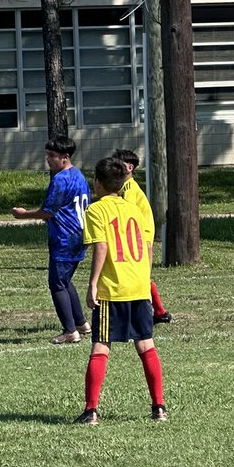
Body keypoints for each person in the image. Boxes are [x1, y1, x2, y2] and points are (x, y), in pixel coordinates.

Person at [75, 156, 167, 424]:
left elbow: (101, 247)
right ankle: (159, 407)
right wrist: (144, 278)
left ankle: (91, 410)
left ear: (98, 183)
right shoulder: (133, 209)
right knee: (146, 344)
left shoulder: (96, 210)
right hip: (138, 286)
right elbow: (147, 247)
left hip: (112, 289)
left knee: (100, 347)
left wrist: (92, 283)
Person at [12, 134, 90, 344]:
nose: (47, 159)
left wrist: (22, 214)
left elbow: (47, 211)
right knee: (65, 280)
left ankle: (69, 331)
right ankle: (82, 324)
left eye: (52, 155)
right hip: (80, 235)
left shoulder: (60, 179)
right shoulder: (79, 175)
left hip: (65, 237)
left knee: (56, 284)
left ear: (65, 157)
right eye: (47, 154)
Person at [112, 148, 172, 325]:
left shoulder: (130, 190)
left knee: (139, 278)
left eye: (118, 165)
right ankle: (160, 312)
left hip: (140, 240)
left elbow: (126, 216)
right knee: (141, 277)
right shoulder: (124, 188)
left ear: (129, 168)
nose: (114, 168)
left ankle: (147, 314)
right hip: (137, 239)